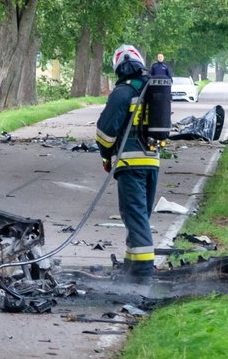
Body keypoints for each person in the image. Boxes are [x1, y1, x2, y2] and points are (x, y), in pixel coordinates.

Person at [95, 45, 159, 283]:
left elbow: (105, 131)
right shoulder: (153, 90)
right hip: (152, 161)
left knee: (135, 217)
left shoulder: (122, 92)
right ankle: (132, 268)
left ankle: (142, 277)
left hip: (130, 163)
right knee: (141, 216)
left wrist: (105, 154)